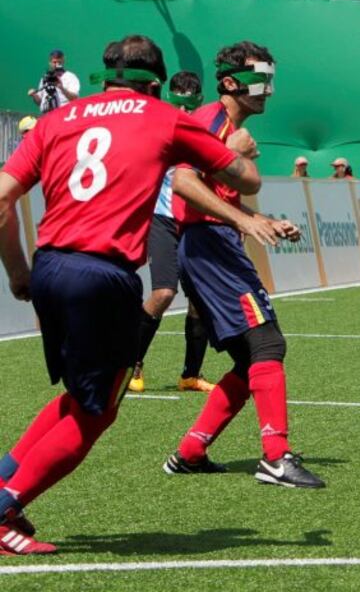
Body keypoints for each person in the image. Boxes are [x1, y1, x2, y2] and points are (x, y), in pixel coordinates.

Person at [0, 34, 268, 555]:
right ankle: (5, 505)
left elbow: (2, 198)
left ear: (105, 72)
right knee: (97, 412)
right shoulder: (166, 117)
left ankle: (3, 489)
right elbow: (245, 179)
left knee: (78, 398)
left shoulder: (56, 120)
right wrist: (235, 151)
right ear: (158, 78)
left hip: (51, 266)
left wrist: (17, 270)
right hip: (103, 274)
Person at [164, 41, 326, 489]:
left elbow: (219, 193)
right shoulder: (210, 123)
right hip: (208, 246)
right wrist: (242, 218)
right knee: (268, 344)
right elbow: (183, 182)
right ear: (231, 82)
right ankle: (276, 456)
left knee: (246, 358)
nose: (268, 91)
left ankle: (191, 451)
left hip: (214, 243)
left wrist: (259, 220)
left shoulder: (232, 130)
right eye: (260, 81)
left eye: (271, 80)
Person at [130, 70, 215, 394]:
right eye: (178, 104)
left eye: (190, 106)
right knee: (163, 293)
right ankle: (131, 363)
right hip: (162, 219)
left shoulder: (207, 134)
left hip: (194, 222)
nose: (184, 113)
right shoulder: (155, 130)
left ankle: (190, 375)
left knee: (200, 302)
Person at [28, 50, 80, 115]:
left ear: (63, 61)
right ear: (50, 62)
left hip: (64, 115)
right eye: (54, 62)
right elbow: (40, 102)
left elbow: (75, 98)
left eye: (59, 62)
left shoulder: (70, 77)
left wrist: (62, 88)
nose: (57, 65)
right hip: (48, 117)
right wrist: (34, 95)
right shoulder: (45, 78)